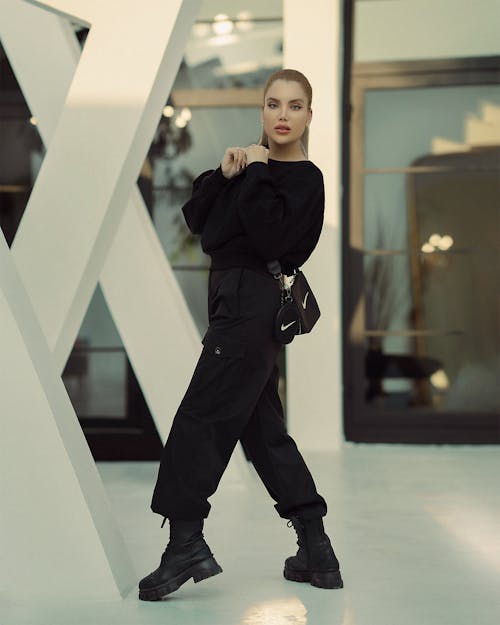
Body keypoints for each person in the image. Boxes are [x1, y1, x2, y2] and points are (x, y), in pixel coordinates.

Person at [139, 68, 343, 601]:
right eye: (273, 104)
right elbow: (197, 220)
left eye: (294, 106)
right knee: (262, 430)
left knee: (202, 416)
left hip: (251, 306)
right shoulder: (249, 166)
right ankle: (316, 548)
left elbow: (273, 236)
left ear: (308, 116)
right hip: (233, 302)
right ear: (261, 111)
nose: (282, 115)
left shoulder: (305, 180)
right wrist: (227, 173)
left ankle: (185, 541)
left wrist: (254, 175)